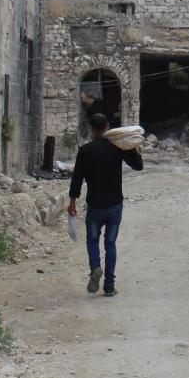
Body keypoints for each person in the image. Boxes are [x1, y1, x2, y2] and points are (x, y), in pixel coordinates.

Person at [68, 113, 143, 296]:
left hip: (94, 205)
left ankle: (95, 267)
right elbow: (138, 166)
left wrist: (72, 202)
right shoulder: (118, 147)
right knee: (110, 243)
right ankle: (109, 286)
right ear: (108, 126)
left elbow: (77, 179)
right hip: (114, 205)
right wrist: (134, 148)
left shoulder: (85, 151)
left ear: (92, 129)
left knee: (92, 240)